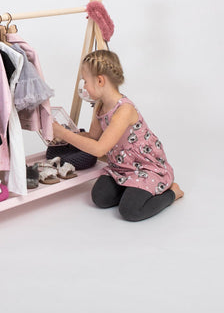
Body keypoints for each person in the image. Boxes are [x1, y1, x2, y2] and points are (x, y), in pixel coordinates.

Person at [52, 50, 184, 221]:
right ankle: (132, 187)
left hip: (145, 167)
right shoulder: (100, 106)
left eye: (85, 81)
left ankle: (173, 193)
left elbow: (99, 149)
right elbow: (93, 136)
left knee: (131, 211)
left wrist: (63, 133)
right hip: (121, 167)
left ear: (100, 80)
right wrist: (66, 134)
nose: (84, 86)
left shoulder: (124, 110)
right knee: (100, 198)